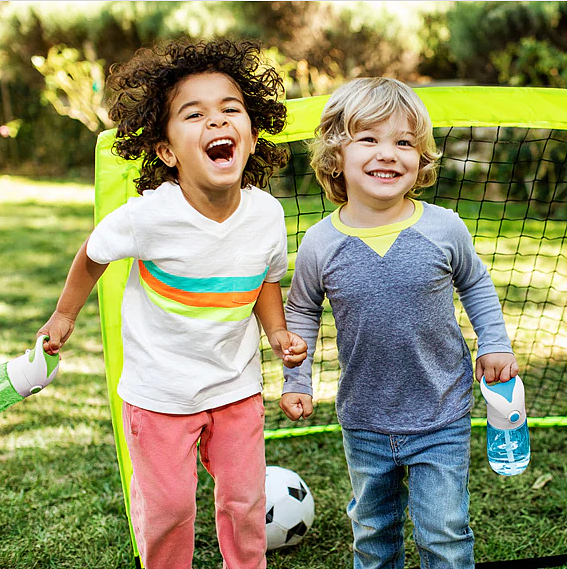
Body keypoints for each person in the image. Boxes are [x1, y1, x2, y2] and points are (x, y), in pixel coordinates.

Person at [38, 38, 307, 569]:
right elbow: (92, 255)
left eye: (231, 110)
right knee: (168, 508)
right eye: (194, 114)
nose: (217, 121)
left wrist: (276, 334)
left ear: (251, 136)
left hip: (235, 386)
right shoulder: (148, 217)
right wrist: (65, 313)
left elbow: (266, 280)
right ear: (166, 151)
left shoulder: (267, 215)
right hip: (160, 393)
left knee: (245, 500)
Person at [279, 77, 519, 569]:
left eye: (404, 142)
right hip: (365, 419)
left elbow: (474, 284)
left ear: (421, 159)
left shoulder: (443, 227)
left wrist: (492, 342)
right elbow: (301, 310)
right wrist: (296, 378)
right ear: (335, 154)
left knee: (444, 534)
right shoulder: (321, 243)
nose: (388, 154)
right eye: (368, 139)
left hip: (441, 413)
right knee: (373, 532)